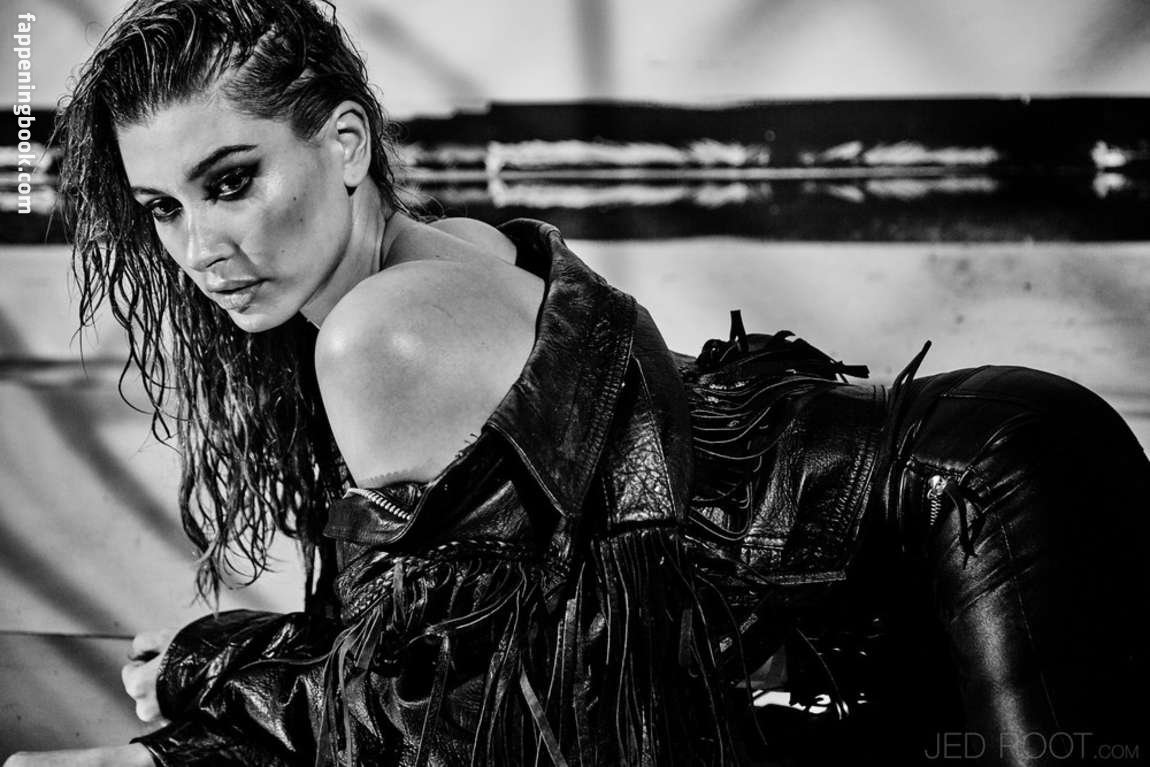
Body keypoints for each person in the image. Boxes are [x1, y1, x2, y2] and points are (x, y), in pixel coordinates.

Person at [7, 0, 1147, 764]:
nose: (200, 248)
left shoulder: (380, 334)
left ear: (344, 144)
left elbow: (430, 718)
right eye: (162, 208)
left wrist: (200, 694)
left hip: (971, 504)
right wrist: (227, 665)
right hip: (986, 462)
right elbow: (438, 638)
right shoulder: (437, 246)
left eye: (231, 181)